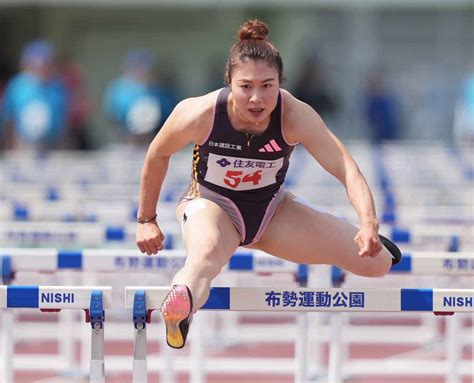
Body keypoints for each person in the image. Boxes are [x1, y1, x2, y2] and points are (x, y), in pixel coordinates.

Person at [136, 20, 401, 349]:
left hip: (273, 212)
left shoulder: (295, 115)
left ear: (281, 83)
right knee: (204, 256)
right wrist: (146, 219)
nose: (257, 99)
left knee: (376, 265)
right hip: (212, 205)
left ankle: (376, 243)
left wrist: (368, 223)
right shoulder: (199, 113)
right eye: (246, 86)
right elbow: (157, 153)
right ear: (229, 83)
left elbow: (345, 167)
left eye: (267, 86)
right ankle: (180, 305)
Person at [0, 40, 67, 150]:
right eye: (39, 64)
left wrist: (64, 144)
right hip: (23, 144)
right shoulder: (17, 86)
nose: (43, 68)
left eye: (47, 63)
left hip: (53, 144)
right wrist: (9, 146)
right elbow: (8, 118)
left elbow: (63, 120)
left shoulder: (58, 86)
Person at [104, 49, 176, 145]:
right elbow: (112, 117)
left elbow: (168, 115)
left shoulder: (159, 90)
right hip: (127, 140)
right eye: (136, 66)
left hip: (154, 139)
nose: (140, 70)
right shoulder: (118, 90)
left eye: (143, 66)